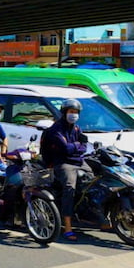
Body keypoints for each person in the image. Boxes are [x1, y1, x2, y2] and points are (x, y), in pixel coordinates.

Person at [40, 98, 97, 241]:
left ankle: (95, 217)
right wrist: (78, 145)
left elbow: (84, 146)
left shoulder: (77, 128)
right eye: (71, 112)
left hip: (78, 160)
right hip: (63, 163)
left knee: (94, 181)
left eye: (76, 112)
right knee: (69, 188)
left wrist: (75, 146)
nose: (74, 115)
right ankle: (68, 226)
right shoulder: (56, 129)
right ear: (65, 113)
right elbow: (65, 149)